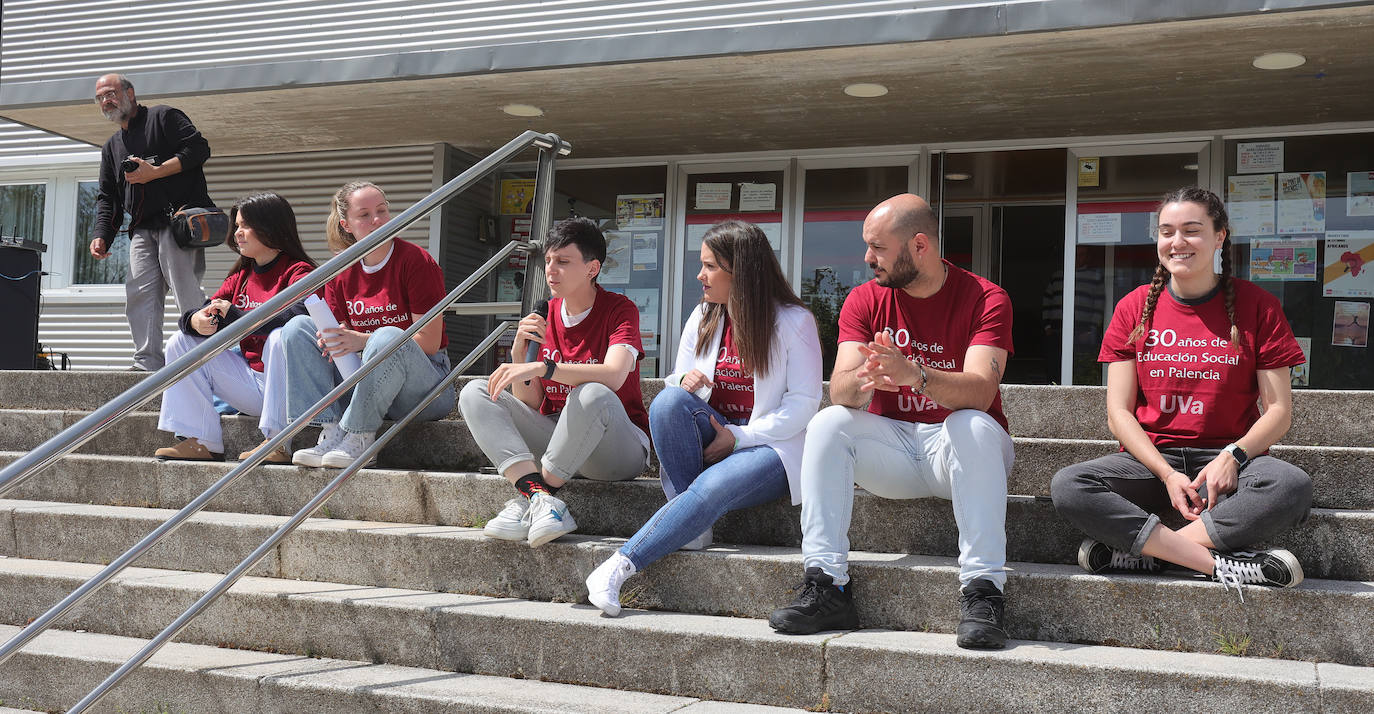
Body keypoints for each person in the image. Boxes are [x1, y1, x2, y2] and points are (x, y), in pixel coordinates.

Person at [768, 193, 1015, 650]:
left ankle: (983, 592)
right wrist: (867, 379)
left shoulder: (986, 298)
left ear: (919, 245)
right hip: (894, 450)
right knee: (828, 424)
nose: (867, 258)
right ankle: (826, 586)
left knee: (972, 425)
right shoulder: (864, 300)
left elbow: (982, 391)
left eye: (878, 248)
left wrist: (914, 375)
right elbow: (839, 390)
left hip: (959, 450)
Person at [1050, 187, 1311, 597]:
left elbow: (1279, 411)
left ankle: (1151, 553)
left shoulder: (1258, 306)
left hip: (1228, 465)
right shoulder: (1133, 308)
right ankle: (1212, 564)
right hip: (1154, 464)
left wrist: (1233, 455)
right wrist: (1167, 473)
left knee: (1290, 484)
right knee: (1069, 486)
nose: (1177, 243)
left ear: (1220, 235)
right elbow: (1119, 413)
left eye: (1192, 230)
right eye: (1167, 231)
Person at [585, 220, 822, 615]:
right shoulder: (705, 315)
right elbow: (674, 377)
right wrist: (685, 379)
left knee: (712, 486)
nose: (700, 275)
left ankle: (618, 565)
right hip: (711, 431)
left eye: (710, 266)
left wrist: (737, 437)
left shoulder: (794, 322)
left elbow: (803, 405)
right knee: (666, 403)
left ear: (740, 270)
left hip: (769, 447)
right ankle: (692, 525)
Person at [458, 217, 649, 548]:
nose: (550, 270)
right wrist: (520, 356)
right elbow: (531, 404)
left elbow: (615, 374)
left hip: (618, 449)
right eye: (547, 261)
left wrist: (546, 367)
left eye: (563, 261)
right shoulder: (543, 315)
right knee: (476, 391)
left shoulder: (619, 309)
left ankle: (532, 500)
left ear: (592, 269)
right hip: (559, 440)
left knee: (591, 392)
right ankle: (539, 498)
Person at [281, 181, 455, 468]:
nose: (377, 220)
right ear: (346, 224)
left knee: (387, 337)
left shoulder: (415, 261)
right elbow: (340, 340)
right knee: (297, 327)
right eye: (364, 214)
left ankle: (361, 437)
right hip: (367, 378)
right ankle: (333, 429)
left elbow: (430, 341)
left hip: (426, 387)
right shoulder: (341, 269)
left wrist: (363, 340)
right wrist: (331, 341)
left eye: (382, 211)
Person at [154, 192, 316, 462]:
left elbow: (296, 320)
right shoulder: (241, 275)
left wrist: (237, 317)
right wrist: (196, 321)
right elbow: (202, 311)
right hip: (255, 385)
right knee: (180, 342)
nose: (238, 233)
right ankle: (200, 440)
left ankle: (278, 441)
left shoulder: (299, 272)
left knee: (280, 336)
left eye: (245, 226)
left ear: (271, 226)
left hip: (295, 391)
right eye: (237, 226)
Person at [89, 73, 212, 371]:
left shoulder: (164, 117)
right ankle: (147, 364)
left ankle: (202, 357)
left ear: (130, 93)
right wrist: (102, 234)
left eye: (112, 93)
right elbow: (108, 197)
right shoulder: (112, 146)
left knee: (186, 290)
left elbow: (199, 149)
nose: (107, 100)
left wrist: (155, 171)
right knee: (140, 294)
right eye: (101, 97)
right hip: (142, 230)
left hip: (178, 222)